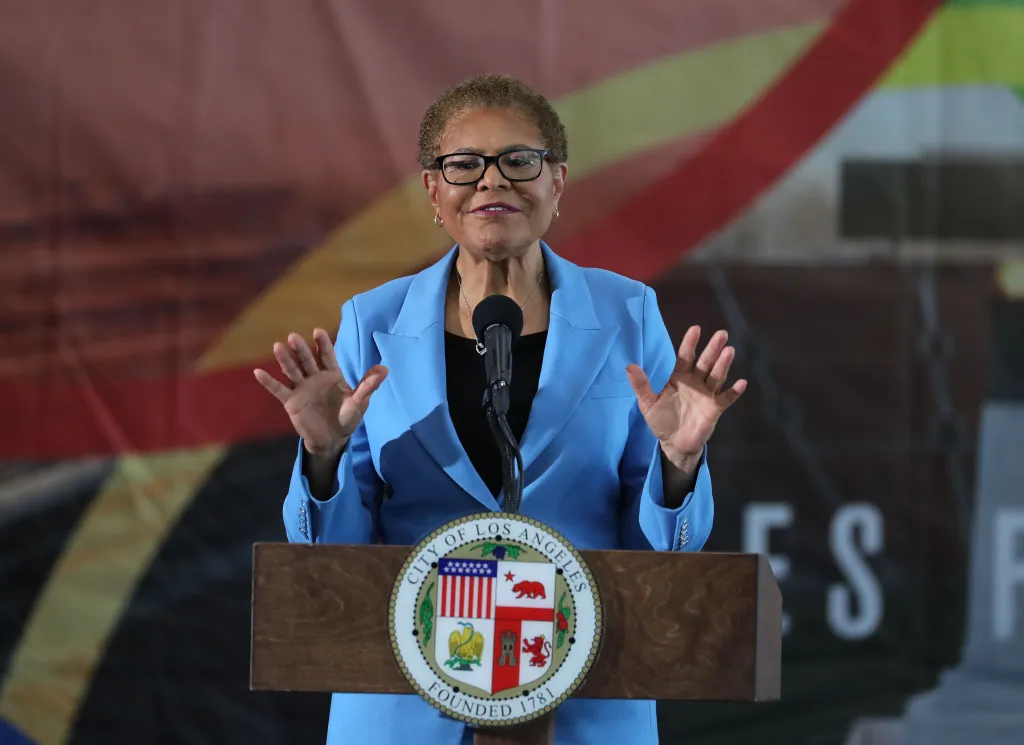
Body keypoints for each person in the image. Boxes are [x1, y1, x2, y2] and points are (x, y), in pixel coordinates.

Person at [254, 74, 746, 745]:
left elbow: (665, 551)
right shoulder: (371, 323)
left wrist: (679, 464)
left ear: (557, 183)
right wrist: (322, 458)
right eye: (464, 165)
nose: (493, 181)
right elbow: (327, 553)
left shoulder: (626, 314)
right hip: (403, 709)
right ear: (434, 189)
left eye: (520, 161)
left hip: (584, 701)